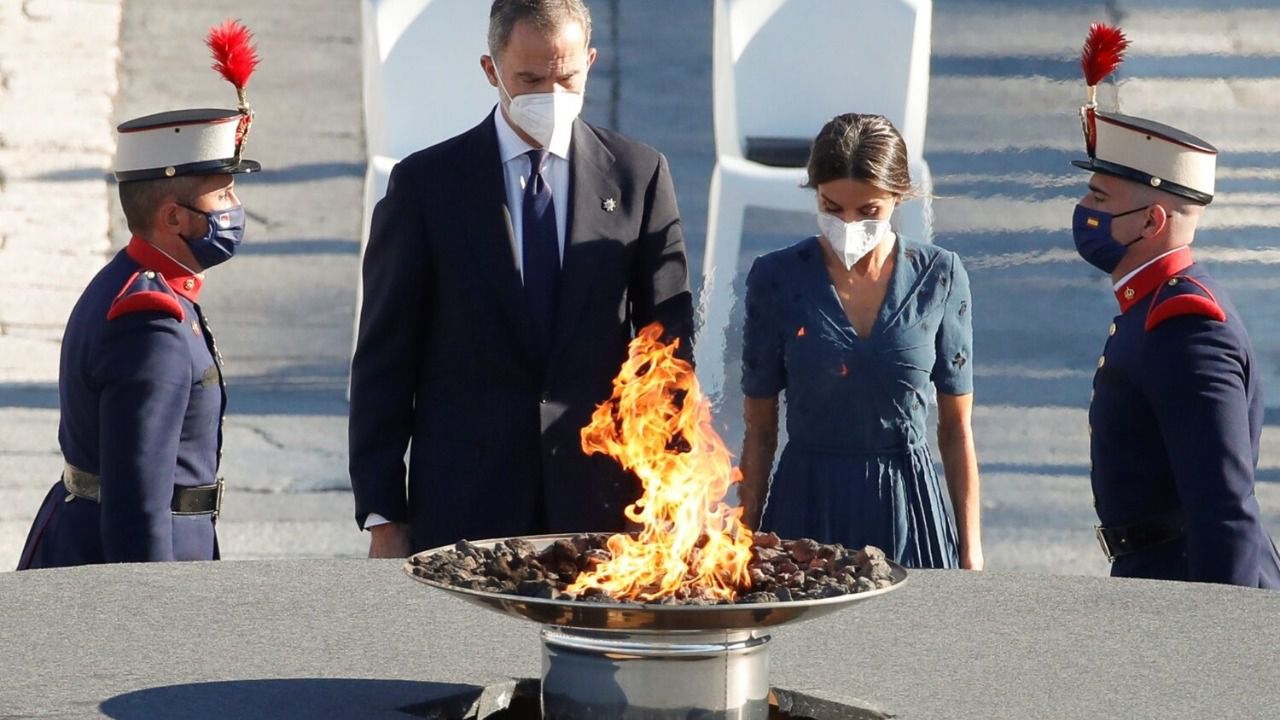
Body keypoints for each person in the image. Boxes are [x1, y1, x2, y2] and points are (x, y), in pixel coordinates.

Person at [349, 0, 694, 556]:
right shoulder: (426, 187)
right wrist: (384, 513)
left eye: (566, 77)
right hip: (466, 502)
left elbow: (669, 347)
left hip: (600, 498)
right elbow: (384, 360)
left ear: (591, 62)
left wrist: (671, 490)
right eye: (530, 79)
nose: (550, 95)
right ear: (492, 71)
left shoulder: (638, 175)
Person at [16, 22, 261, 568]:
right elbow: (137, 509)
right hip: (139, 571)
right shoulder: (149, 323)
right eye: (222, 193)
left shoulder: (143, 283)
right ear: (172, 216)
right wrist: (155, 625)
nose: (234, 208)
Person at [737, 113, 983, 570]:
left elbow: (955, 429)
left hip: (907, 507)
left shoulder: (940, 276)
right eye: (832, 208)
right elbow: (760, 429)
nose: (849, 224)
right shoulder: (776, 278)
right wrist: (742, 542)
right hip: (807, 508)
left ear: (897, 198)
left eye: (868, 211)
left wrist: (972, 554)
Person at [1072, 107, 1280, 588]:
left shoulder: (1185, 327)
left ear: (1151, 221)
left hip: (1183, 587)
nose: (1085, 208)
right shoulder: (1149, 307)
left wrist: (1212, 644)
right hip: (1154, 576)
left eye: (1099, 197)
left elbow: (1224, 510)